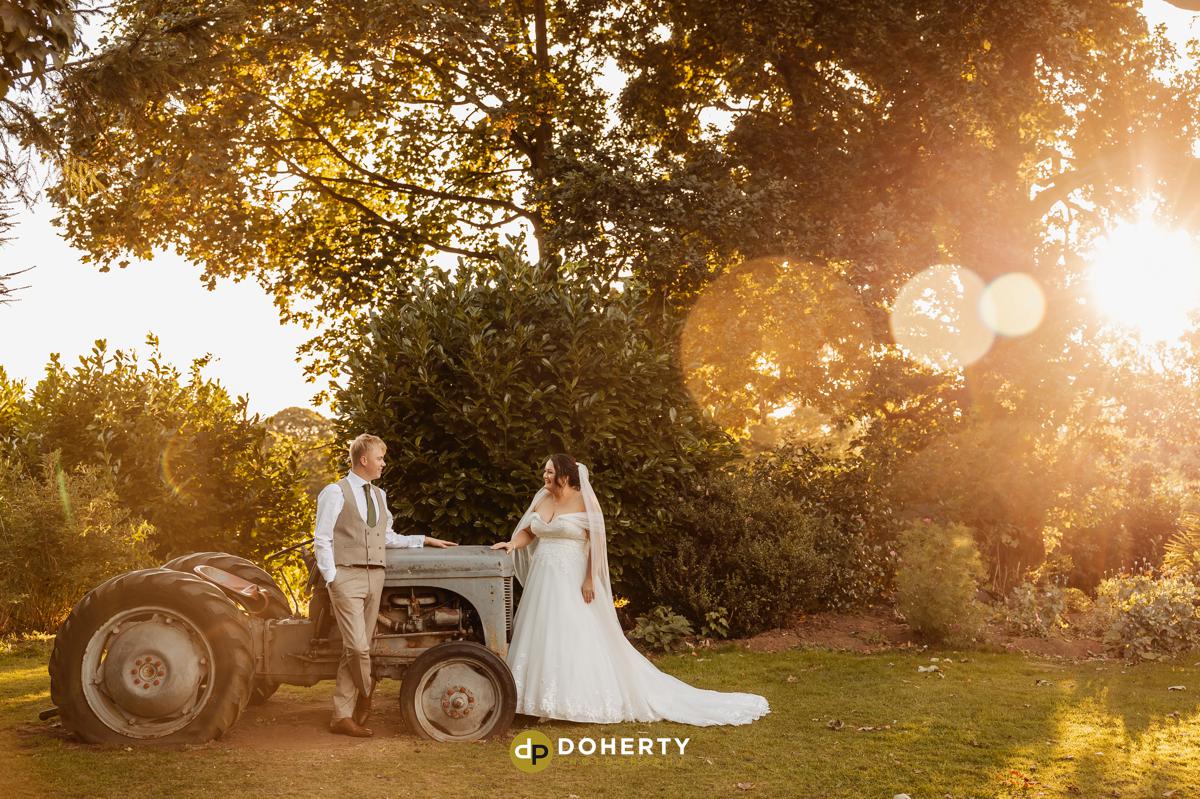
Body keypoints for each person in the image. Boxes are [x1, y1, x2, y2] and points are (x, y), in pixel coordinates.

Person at [491, 454, 770, 725]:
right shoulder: (542, 498)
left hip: (571, 578)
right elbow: (529, 531)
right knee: (540, 630)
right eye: (545, 471)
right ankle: (532, 699)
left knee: (571, 632)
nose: (545, 475)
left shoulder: (584, 501)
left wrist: (589, 579)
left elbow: (597, 543)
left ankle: (570, 700)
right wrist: (512, 544)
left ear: (564, 476)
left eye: (550, 471)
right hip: (543, 579)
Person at [313, 433, 458, 737]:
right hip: (346, 577)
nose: (383, 463)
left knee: (357, 648)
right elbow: (322, 538)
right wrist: (332, 577)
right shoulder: (335, 492)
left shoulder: (379, 495)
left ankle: (341, 716)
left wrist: (423, 539)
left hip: (375, 577)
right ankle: (366, 693)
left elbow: (387, 537)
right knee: (357, 647)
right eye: (379, 458)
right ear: (363, 459)